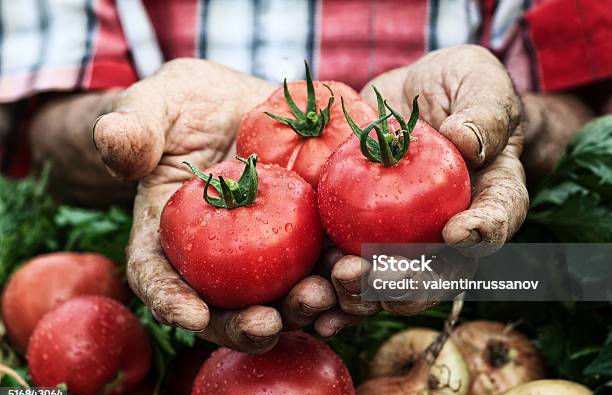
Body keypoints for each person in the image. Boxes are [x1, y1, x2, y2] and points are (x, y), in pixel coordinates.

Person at [0, 0, 609, 354]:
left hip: (499, 287)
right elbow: (38, 118)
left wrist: (513, 119)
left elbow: (591, 97)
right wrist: (135, 122)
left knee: (588, 277)